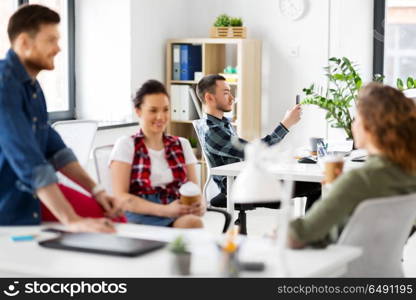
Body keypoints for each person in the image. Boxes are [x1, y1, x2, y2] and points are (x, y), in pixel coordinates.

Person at [0, 4, 122, 232]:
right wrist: (72, 221)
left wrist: (97, 191)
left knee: (111, 217)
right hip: (8, 207)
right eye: (51, 40)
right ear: (25, 42)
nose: (58, 48)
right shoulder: (4, 85)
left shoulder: (33, 88)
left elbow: (56, 150)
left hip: (28, 198)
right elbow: (29, 160)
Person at [288, 83, 416, 249]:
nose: (353, 125)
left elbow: (299, 235)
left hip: (339, 268)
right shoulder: (409, 175)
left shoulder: (359, 180)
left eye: (357, 118)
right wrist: (338, 189)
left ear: (370, 126)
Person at [196, 74, 321, 209]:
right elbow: (255, 151)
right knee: (317, 184)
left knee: (313, 182)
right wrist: (286, 123)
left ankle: (309, 228)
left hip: (248, 177)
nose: (232, 98)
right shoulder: (212, 131)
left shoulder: (222, 123)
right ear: (209, 97)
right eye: (226, 93)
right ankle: (309, 229)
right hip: (240, 186)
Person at [110, 80, 204, 228]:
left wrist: (200, 205)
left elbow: (195, 190)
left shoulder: (182, 144)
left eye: (165, 109)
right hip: (138, 215)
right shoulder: (126, 145)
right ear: (138, 111)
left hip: (175, 212)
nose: (161, 117)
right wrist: (165, 210)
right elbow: (121, 198)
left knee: (193, 223)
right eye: (153, 110)